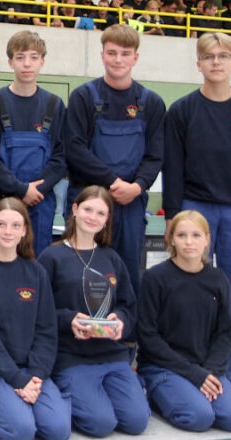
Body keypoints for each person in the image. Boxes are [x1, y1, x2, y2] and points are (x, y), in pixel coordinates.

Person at [163, 32, 231, 404]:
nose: (216, 62)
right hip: (195, 208)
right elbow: (172, 167)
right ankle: (192, 368)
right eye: (209, 56)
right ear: (198, 63)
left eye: (224, 56)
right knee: (191, 294)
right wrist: (174, 217)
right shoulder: (182, 111)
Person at [64, 24, 165, 304]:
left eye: (125, 53)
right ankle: (80, 331)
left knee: (127, 272)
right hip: (88, 200)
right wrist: (113, 182)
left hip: (130, 203)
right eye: (112, 53)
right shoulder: (84, 97)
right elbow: (74, 149)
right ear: (102, 55)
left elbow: (156, 155)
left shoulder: (151, 103)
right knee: (81, 269)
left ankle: (127, 335)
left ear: (135, 58)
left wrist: (138, 186)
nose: (118, 59)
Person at [38, 186, 150, 437]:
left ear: (107, 219)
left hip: (111, 355)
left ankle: (118, 391)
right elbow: (38, 312)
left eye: (101, 213)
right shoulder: (51, 256)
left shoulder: (111, 258)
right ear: (75, 210)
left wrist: (120, 320)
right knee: (101, 424)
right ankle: (65, 392)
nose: (92, 217)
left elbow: (128, 305)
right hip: (71, 357)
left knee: (136, 422)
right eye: (88, 209)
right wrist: (69, 320)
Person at [0, 197, 71, 440]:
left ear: (24, 231)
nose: (7, 231)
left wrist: (36, 374)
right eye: (1, 224)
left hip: (29, 369)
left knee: (58, 430)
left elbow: (46, 330)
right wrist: (15, 378)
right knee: (22, 430)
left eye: (15, 225)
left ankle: (13, 400)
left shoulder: (35, 271)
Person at [137, 210, 231, 432]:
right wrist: (194, 375)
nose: (189, 242)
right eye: (182, 235)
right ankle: (156, 396)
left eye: (196, 235)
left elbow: (225, 332)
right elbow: (148, 336)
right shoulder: (155, 278)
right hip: (164, 367)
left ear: (207, 239)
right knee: (199, 417)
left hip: (204, 367)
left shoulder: (218, 279)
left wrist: (209, 371)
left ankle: (187, 392)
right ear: (172, 239)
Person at [0, 31, 66, 256]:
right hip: (0, 201)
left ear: (42, 61)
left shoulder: (54, 105)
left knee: (36, 264)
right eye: (20, 57)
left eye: (33, 57)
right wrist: (19, 189)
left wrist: (35, 190)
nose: (27, 64)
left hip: (40, 203)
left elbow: (61, 158)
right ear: (10, 61)